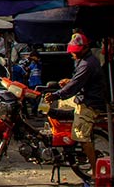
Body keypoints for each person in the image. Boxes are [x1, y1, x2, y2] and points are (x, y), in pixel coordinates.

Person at [44, 33, 105, 172]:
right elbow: (78, 81)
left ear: (84, 48)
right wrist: (69, 82)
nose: (73, 54)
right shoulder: (83, 61)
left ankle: (96, 173)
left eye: (75, 52)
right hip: (81, 97)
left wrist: (56, 95)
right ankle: (63, 137)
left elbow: (75, 86)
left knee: (82, 137)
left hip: (89, 103)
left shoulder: (87, 64)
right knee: (59, 107)